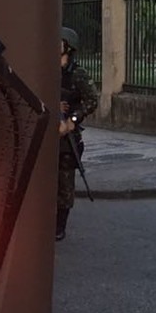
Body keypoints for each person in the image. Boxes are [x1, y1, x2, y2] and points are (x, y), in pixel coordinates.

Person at [58, 27, 98, 241]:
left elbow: (92, 101)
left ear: (68, 47)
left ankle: (60, 225)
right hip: (48, 131)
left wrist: (73, 120)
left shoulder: (77, 74)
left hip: (67, 136)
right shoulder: (45, 69)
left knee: (65, 181)